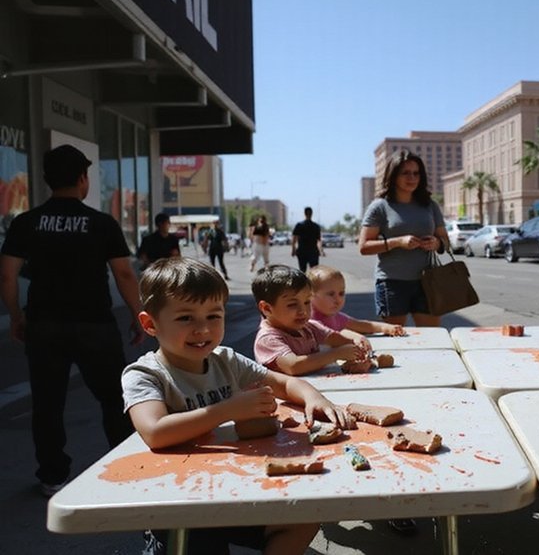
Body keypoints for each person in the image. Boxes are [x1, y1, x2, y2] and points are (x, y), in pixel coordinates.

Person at [123, 257, 352, 555]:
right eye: (185, 318)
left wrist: (315, 399)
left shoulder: (225, 360)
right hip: (179, 505)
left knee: (303, 519)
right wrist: (229, 409)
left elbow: (286, 383)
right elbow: (155, 431)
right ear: (150, 324)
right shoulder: (145, 375)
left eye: (214, 316)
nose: (202, 329)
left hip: (231, 489)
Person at [0, 144, 143, 496]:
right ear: (83, 179)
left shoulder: (26, 222)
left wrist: (17, 315)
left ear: (48, 180)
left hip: (44, 325)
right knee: (115, 398)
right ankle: (128, 466)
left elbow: (6, 276)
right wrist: (140, 316)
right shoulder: (101, 223)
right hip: (95, 324)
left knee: (48, 401)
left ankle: (53, 476)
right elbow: (124, 274)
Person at [358, 150, 449, 327]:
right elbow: (364, 247)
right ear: (393, 176)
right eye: (405, 173)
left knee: (432, 340)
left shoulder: (429, 205)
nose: (412, 178)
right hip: (391, 283)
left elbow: (445, 241)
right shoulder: (380, 207)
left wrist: (436, 243)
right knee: (396, 340)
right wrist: (397, 242)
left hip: (428, 282)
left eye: (416, 173)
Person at [252, 264, 367, 375]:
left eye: (307, 302)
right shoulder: (268, 339)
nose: (303, 311)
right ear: (267, 308)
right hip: (286, 394)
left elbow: (338, 340)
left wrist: (358, 349)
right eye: (292, 304)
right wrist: (335, 354)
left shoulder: (309, 327)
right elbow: (293, 366)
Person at [308, 265, 406, 338]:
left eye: (341, 293)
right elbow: (332, 337)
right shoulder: (307, 321)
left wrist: (385, 328)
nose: (338, 299)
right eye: (331, 294)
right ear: (310, 295)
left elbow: (361, 325)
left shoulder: (336, 317)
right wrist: (355, 338)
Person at [292, 206, 324, 272]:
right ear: (312, 214)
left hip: (302, 251)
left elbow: (294, 239)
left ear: (304, 213)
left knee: (302, 271)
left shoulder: (299, 225)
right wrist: (321, 250)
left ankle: (304, 282)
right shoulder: (316, 226)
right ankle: (313, 282)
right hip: (313, 252)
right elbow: (319, 240)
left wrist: (293, 250)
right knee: (314, 272)